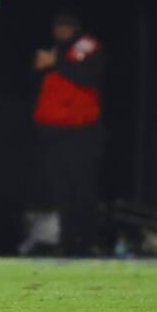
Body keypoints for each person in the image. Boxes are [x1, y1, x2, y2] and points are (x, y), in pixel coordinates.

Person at [32, 13, 104, 256]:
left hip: (79, 132)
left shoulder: (85, 46)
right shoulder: (55, 51)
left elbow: (88, 75)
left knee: (82, 190)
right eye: (57, 25)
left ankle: (85, 242)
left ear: (75, 27)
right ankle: (66, 242)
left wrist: (56, 61)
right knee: (61, 191)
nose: (60, 30)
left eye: (65, 25)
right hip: (54, 133)